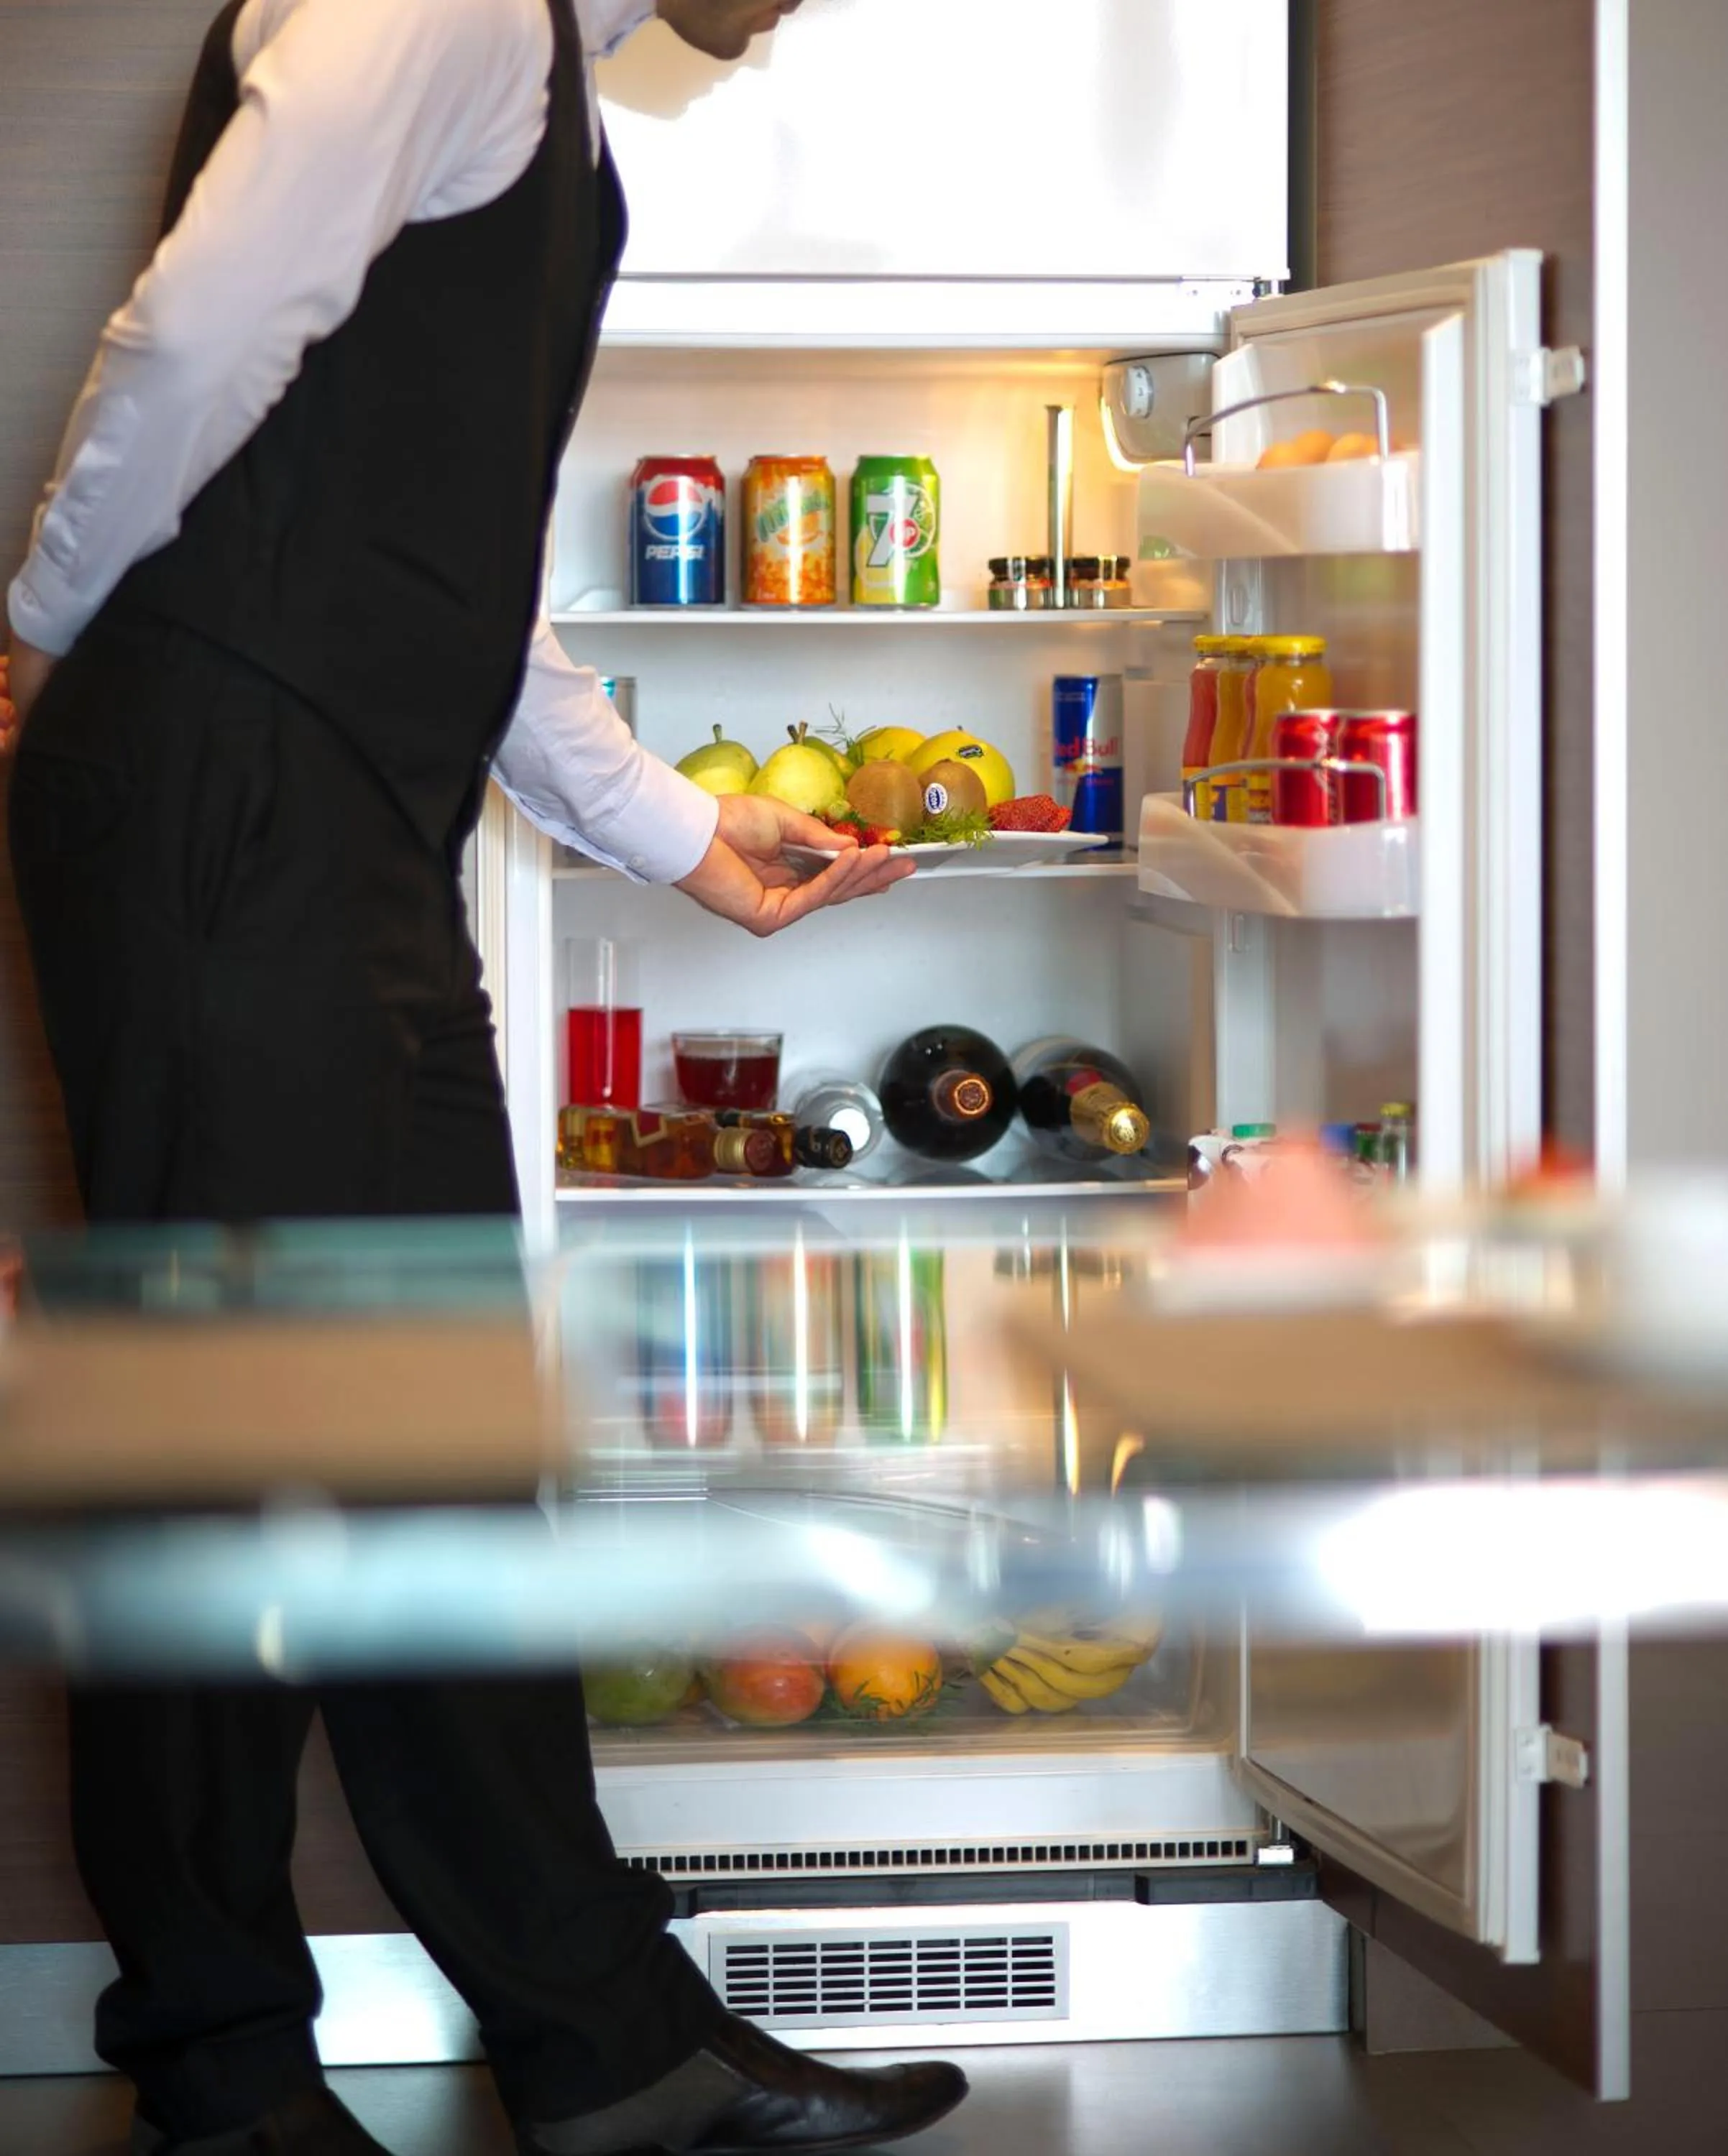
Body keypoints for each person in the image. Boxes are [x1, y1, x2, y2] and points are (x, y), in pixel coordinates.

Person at [0, 3, 952, 2153]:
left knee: (435, 1457)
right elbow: (201, 319)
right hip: (224, 799)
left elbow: (453, 567)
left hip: (334, 823)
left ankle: (602, 2048)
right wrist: (50, 622)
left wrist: (691, 842)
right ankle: (223, 2067)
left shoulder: (537, 71)